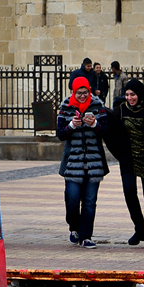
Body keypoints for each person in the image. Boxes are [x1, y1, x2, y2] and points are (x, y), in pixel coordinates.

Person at [107, 79, 144, 248]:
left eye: (133, 94)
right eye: (127, 94)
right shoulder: (120, 110)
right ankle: (139, 229)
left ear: (140, 94)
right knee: (129, 192)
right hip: (128, 158)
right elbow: (111, 131)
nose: (130, 98)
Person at [56, 76, 109, 249]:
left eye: (85, 92)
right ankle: (74, 227)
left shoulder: (98, 105)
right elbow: (60, 134)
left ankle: (86, 236)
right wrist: (71, 125)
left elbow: (106, 131)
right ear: (73, 92)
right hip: (73, 162)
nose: (82, 96)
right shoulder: (66, 106)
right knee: (72, 199)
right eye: (79, 93)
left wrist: (95, 124)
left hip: (94, 162)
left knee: (89, 201)